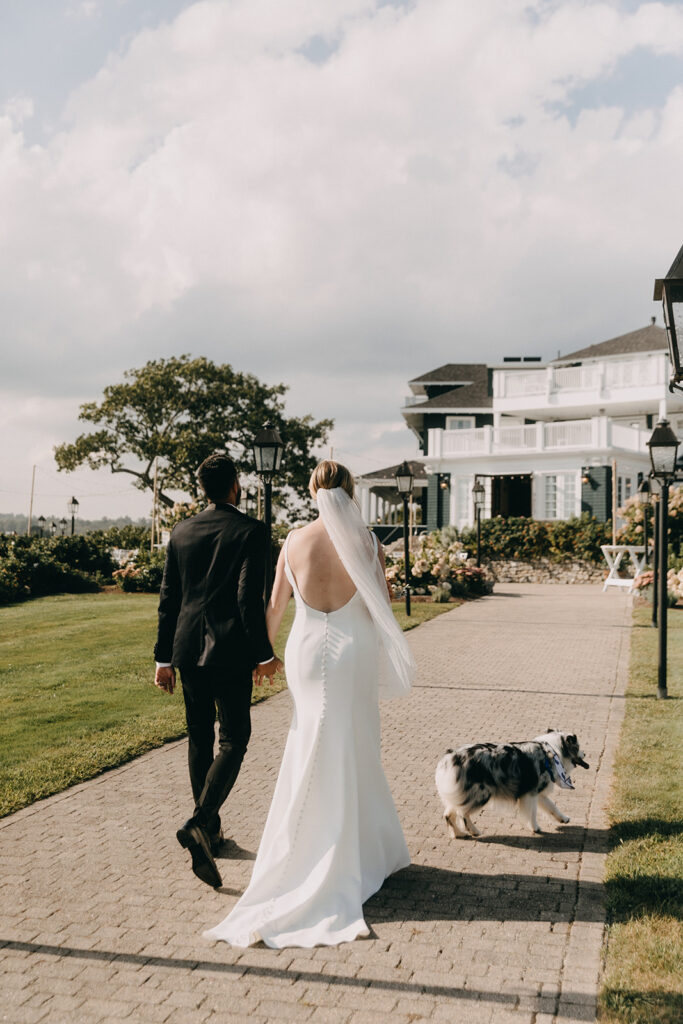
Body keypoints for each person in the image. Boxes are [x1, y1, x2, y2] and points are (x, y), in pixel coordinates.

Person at [204, 460, 415, 948]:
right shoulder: (367, 542)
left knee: (308, 740)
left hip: (304, 651)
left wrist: (263, 656)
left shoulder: (294, 539)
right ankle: (353, 851)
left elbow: (273, 606)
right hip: (352, 650)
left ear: (313, 491)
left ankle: (306, 847)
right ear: (350, 491)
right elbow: (381, 601)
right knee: (353, 741)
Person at [154, 453, 282, 889]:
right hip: (229, 651)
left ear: (202, 488)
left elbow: (169, 598)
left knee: (199, 738)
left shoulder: (181, 531)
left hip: (187, 650)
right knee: (235, 738)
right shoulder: (252, 531)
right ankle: (201, 821)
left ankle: (208, 831)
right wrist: (264, 653)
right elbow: (249, 600)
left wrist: (163, 659)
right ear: (235, 486)